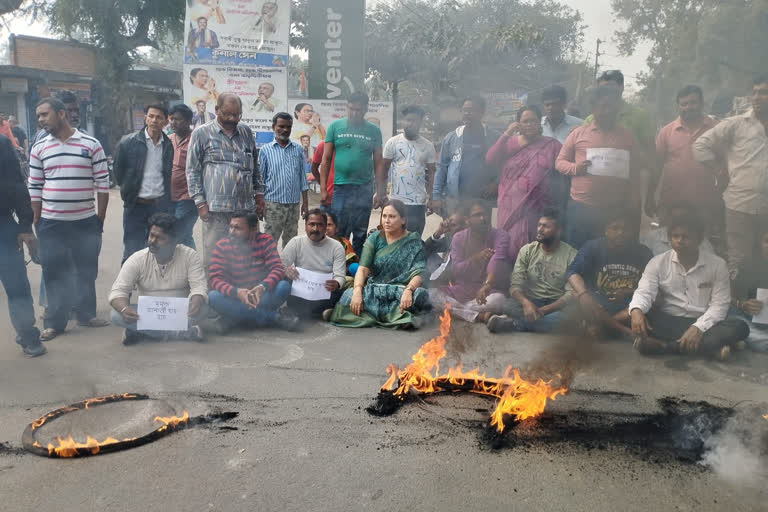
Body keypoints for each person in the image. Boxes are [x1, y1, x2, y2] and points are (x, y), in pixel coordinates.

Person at [29, 97, 110, 341]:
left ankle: (86, 314)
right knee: (54, 272)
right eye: (39, 116)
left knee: (86, 270)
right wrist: (37, 223)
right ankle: (55, 323)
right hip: (51, 224)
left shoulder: (91, 144)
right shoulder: (39, 148)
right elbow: (34, 187)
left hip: (85, 222)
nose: (41, 120)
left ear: (61, 114)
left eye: (45, 114)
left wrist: (100, 220)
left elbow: (103, 185)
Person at [629, 213, 748, 359]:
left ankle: (665, 347)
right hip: (669, 320)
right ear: (670, 238)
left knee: (740, 327)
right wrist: (637, 311)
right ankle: (711, 348)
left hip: (705, 322)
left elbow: (720, 305)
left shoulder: (717, 265)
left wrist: (698, 327)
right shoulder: (657, 262)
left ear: (699, 239)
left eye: (686, 237)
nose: (680, 241)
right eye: (675, 236)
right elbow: (644, 292)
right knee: (642, 318)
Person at [692, 75, 768, 281]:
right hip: (739, 205)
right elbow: (700, 146)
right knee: (740, 262)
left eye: (763, 92)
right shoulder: (736, 124)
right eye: (754, 92)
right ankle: (737, 308)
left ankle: (761, 311)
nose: (757, 97)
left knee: (765, 262)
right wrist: (718, 169)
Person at [556, 85, 645, 248]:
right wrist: (576, 168)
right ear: (593, 108)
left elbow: (634, 174)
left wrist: (633, 200)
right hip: (581, 209)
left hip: (615, 210)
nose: (608, 111)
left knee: (609, 256)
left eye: (612, 106)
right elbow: (560, 162)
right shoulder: (578, 134)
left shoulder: (628, 136)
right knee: (576, 253)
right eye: (603, 106)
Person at [187, 93, 265, 268]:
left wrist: (259, 194)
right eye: (227, 114)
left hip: (246, 209)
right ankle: (214, 294)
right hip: (216, 211)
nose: (232, 119)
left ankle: (247, 292)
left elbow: (255, 165)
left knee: (249, 257)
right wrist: (200, 203)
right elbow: (192, 170)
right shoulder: (201, 133)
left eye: (236, 115)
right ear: (216, 110)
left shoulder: (245, 132)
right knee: (215, 259)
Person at [108, 213, 208, 345]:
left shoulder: (190, 256)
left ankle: (141, 332)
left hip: (180, 313)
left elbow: (199, 287)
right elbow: (118, 291)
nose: (152, 241)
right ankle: (181, 333)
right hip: (147, 315)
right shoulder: (137, 259)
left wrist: (196, 302)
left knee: (204, 308)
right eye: (151, 235)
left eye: (160, 238)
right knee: (116, 315)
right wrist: (125, 309)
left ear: (174, 241)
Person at [329, 200, 429, 328]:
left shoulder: (414, 241)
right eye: (384, 216)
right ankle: (396, 318)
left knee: (420, 295)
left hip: (400, 290)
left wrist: (409, 290)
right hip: (375, 289)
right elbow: (362, 269)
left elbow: (419, 272)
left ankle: (363, 316)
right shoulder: (374, 238)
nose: (386, 221)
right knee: (348, 295)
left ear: (403, 220)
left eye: (392, 217)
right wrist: (357, 291)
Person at [486, 105, 562, 260]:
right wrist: (507, 133)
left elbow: (562, 167)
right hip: (509, 206)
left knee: (536, 243)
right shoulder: (510, 143)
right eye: (525, 121)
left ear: (539, 122)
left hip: (538, 206)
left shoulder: (551, 145)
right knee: (509, 244)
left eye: (533, 120)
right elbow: (490, 159)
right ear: (518, 124)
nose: (529, 124)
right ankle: (508, 278)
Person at [487, 210, 577, 333]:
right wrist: (526, 303)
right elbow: (515, 285)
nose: (540, 229)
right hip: (531, 300)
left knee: (569, 318)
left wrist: (545, 310)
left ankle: (514, 324)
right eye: (539, 225)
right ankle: (541, 322)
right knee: (507, 305)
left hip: (556, 304)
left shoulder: (571, 255)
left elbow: (570, 293)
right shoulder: (527, 250)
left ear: (558, 231)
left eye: (546, 226)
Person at [566, 211, 653, 339]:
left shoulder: (643, 252)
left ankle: (603, 326)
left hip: (628, 306)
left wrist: (628, 291)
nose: (621, 233)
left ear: (633, 232)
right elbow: (572, 272)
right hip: (599, 303)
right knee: (577, 294)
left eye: (626, 229)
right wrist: (584, 294)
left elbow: (652, 287)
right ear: (606, 230)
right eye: (615, 228)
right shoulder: (593, 247)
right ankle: (625, 331)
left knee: (647, 306)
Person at [207, 211, 298, 331]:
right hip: (235, 297)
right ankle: (274, 317)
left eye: (238, 228)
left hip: (261, 296)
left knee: (283, 287)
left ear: (253, 229)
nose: (232, 232)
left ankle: (233, 319)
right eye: (231, 227)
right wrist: (237, 292)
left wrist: (262, 287)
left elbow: (277, 269)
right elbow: (214, 278)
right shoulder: (222, 245)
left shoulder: (265, 240)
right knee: (213, 297)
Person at [648, 85, 723, 231]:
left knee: (705, 245)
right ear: (678, 106)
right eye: (684, 104)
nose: (689, 107)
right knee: (671, 243)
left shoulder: (717, 129)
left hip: (706, 204)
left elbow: (725, 164)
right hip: (672, 203)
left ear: (702, 104)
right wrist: (650, 196)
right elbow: (656, 167)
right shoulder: (667, 132)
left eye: (693, 102)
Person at [320, 93, 385, 255]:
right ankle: (338, 267)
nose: (354, 113)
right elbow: (326, 160)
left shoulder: (374, 131)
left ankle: (356, 270)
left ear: (365, 109)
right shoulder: (335, 127)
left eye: (359, 110)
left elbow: (378, 162)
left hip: (364, 188)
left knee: (360, 231)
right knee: (338, 230)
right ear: (346, 107)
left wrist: (380, 191)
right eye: (351, 109)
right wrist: (323, 189)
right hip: (340, 188)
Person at [0, 131, 46, 357]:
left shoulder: (1, 144)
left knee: (16, 285)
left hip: (2, 226)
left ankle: (28, 335)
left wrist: (26, 227)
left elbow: (17, 185)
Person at [428, 201, 510, 324]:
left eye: (485, 214)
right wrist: (476, 258)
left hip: (487, 292)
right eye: (477, 215)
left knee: (499, 300)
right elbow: (456, 270)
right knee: (431, 295)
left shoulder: (501, 235)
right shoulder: (458, 238)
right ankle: (480, 316)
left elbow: (497, 260)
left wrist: (487, 284)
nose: (483, 218)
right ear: (467, 220)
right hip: (461, 291)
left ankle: (458, 311)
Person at [113, 104, 173, 263]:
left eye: (159, 117)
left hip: (159, 206)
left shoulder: (167, 145)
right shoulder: (128, 142)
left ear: (165, 122)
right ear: (145, 118)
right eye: (151, 116)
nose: (154, 120)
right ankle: (128, 287)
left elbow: (167, 175)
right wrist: (129, 191)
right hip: (135, 206)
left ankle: (152, 286)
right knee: (132, 251)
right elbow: (118, 172)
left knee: (158, 250)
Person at [433, 97, 500, 214]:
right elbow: (441, 168)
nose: (466, 114)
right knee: (454, 231)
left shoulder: (494, 137)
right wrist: (436, 196)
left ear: (481, 112)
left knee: (479, 231)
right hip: (455, 200)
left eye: (471, 110)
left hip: (482, 200)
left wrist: (496, 183)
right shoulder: (452, 138)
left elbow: (505, 164)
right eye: (464, 110)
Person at [382, 105, 437, 236]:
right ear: (403, 121)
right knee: (394, 240)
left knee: (414, 241)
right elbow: (384, 170)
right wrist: (381, 193)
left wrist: (432, 198)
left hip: (418, 204)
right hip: (396, 202)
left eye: (415, 120)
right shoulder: (392, 143)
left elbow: (432, 174)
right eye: (408, 120)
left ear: (420, 123)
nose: (411, 123)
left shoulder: (428, 146)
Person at [281, 209, 346, 318]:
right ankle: (323, 312)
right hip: (300, 291)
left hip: (324, 291)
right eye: (312, 224)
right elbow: (280, 266)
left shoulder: (336, 247)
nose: (315, 229)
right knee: (284, 284)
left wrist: (336, 283)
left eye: (320, 225)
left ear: (325, 227)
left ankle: (304, 311)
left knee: (341, 292)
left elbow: (340, 276)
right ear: (305, 226)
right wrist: (287, 271)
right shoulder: (296, 242)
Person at [259, 112, 309, 247]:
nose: (285, 130)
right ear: (273, 127)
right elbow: (261, 180)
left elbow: (302, 178)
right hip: (273, 205)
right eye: (281, 126)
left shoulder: (298, 149)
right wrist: (259, 203)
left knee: (291, 242)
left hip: (293, 205)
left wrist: (305, 203)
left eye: (288, 127)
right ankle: (269, 267)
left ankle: (287, 267)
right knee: (270, 241)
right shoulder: (265, 150)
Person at [584, 70, 655, 152]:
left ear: (622, 87)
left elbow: (650, 150)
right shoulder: (590, 119)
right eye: (603, 88)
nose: (608, 90)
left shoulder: (640, 116)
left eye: (611, 86)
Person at [540, 85, 583, 212]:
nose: (551, 108)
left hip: (568, 184)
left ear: (564, 104)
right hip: (540, 183)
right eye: (547, 105)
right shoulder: (535, 125)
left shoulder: (580, 126)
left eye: (555, 104)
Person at [730, 227, 768, 352]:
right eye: (767, 241)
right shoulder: (748, 266)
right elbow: (727, 297)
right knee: (728, 313)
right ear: (760, 244)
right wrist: (743, 304)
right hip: (751, 320)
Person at [168, 104, 197, 249]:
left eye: (177, 119)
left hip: (188, 198)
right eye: (171, 118)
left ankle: (192, 268)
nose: (173, 122)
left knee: (180, 234)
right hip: (169, 197)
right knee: (179, 235)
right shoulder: (168, 139)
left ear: (188, 121)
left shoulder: (196, 140)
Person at [641, 201, 715, 257]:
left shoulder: (702, 242)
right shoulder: (652, 237)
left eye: (682, 218)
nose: (678, 221)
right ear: (668, 218)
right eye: (674, 217)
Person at [424, 209, 465, 284]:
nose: (450, 228)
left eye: (454, 225)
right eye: (450, 225)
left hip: (450, 279)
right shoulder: (449, 238)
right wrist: (438, 232)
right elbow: (424, 250)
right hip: (437, 274)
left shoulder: (466, 241)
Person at [325, 210, 358, 276]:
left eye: (329, 225)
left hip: (341, 274)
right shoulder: (315, 244)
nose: (326, 228)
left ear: (336, 228)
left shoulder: (344, 243)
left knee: (355, 267)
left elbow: (351, 264)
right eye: (323, 225)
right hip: (321, 275)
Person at [310, 139, 334, 209]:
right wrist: (323, 186)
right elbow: (314, 169)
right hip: (328, 196)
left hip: (348, 197)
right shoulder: (323, 145)